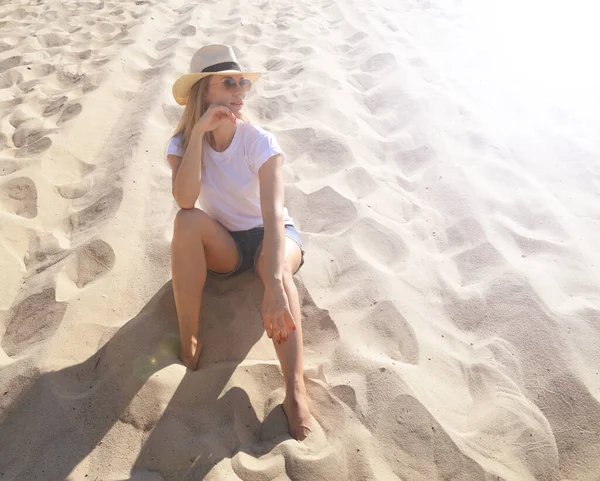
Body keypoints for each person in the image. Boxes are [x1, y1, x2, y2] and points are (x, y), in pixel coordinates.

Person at [166, 44, 312, 440]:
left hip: (275, 235)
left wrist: (276, 285)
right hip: (226, 243)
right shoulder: (182, 144)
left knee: (275, 268)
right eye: (228, 83)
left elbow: (273, 215)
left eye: (242, 82)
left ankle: (295, 389)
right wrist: (198, 133)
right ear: (203, 93)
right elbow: (185, 200)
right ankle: (189, 335)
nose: (240, 91)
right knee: (186, 222)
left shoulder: (259, 141)